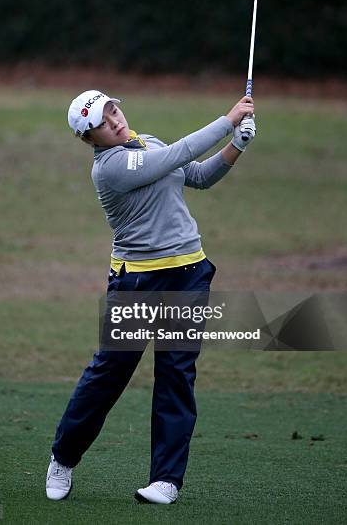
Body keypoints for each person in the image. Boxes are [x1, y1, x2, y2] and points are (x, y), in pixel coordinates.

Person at [46, 90, 256, 504]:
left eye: (114, 111)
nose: (115, 122)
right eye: (104, 124)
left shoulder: (148, 144)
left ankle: (166, 480)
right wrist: (229, 119)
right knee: (110, 373)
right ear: (90, 139)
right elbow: (180, 152)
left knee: (177, 373)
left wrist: (237, 145)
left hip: (189, 273)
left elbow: (198, 175)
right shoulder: (111, 169)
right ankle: (63, 457)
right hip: (137, 283)